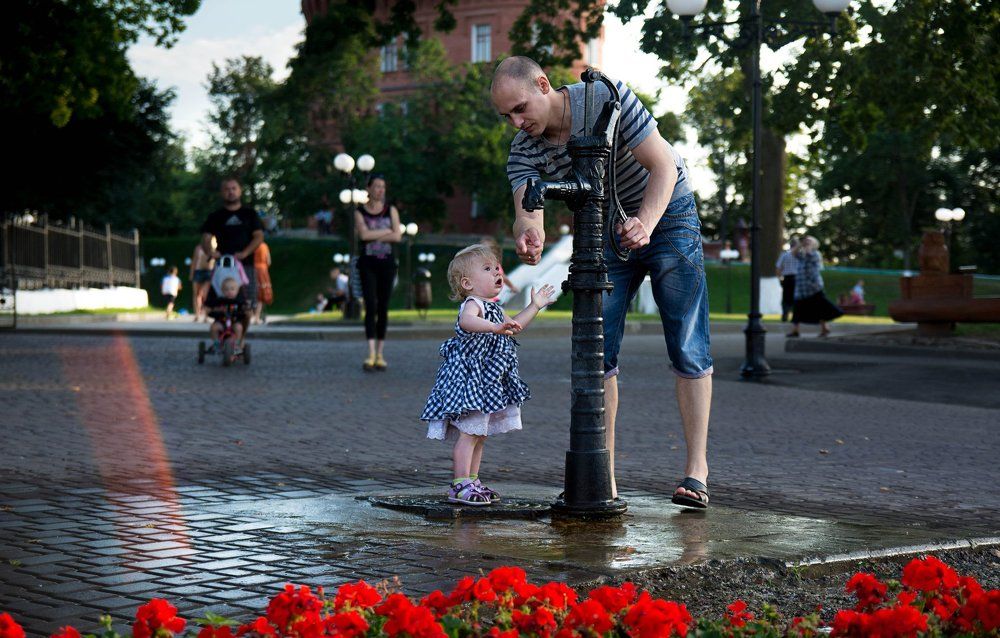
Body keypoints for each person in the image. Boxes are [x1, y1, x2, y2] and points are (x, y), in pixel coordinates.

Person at [492, 56, 713, 508]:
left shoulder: (606, 100)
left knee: (687, 340)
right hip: (603, 228)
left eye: (520, 108)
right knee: (598, 350)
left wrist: (647, 222)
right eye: (507, 116)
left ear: (543, 84)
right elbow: (525, 209)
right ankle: (601, 476)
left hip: (668, 212)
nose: (517, 122)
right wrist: (528, 234)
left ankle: (696, 470)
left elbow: (664, 165)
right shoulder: (524, 148)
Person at [420, 243, 556, 506]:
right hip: (470, 381)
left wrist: (535, 306)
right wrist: (494, 327)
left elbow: (514, 326)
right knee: (469, 433)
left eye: (497, 268)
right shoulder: (473, 305)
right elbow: (466, 322)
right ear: (468, 283)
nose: (497, 272)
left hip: (488, 382)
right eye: (487, 268)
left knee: (480, 434)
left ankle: (473, 479)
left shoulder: (493, 308)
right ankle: (460, 484)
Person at [355, 174, 401, 371]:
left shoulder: (391, 210)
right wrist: (386, 231)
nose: (380, 190)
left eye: (383, 187)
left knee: (383, 307)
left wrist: (375, 235)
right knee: (370, 306)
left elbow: (398, 236)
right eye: (376, 186)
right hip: (367, 264)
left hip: (387, 265)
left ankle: (380, 354)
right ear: (369, 189)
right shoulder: (359, 212)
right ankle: (370, 353)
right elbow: (363, 235)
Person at [200, 177, 264, 317]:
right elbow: (206, 238)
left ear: (240, 191)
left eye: (234, 188)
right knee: (219, 303)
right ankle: (222, 334)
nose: (231, 192)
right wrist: (210, 251)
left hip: (245, 265)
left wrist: (245, 253)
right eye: (227, 189)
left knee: (246, 307)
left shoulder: (250, 214)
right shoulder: (215, 216)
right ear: (222, 193)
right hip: (223, 266)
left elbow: (259, 236)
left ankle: (240, 338)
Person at [787, 236, 843, 338]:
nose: (807, 242)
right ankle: (796, 330)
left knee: (820, 308)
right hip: (801, 288)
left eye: (809, 241)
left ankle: (825, 328)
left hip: (813, 287)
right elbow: (793, 253)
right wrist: (800, 244)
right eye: (806, 241)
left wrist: (808, 245)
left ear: (814, 244)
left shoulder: (815, 254)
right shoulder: (802, 254)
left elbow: (809, 253)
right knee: (798, 310)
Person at [204, 277, 251, 348]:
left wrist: (245, 309)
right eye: (226, 289)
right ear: (222, 291)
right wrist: (215, 311)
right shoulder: (219, 301)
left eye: (232, 289)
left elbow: (245, 309)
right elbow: (211, 308)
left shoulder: (239, 302)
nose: (229, 291)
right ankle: (217, 343)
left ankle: (237, 344)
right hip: (221, 322)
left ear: (237, 291)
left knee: (239, 327)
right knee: (213, 327)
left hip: (234, 322)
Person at [480, 236, 520, 302]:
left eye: (486, 250)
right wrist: (512, 287)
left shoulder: (495, 265)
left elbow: (502, 276)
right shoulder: (479, 265)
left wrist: (512, 287)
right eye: (482, 250)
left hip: (491, 296)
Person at [189, 239, 215, 322]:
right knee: (197, 294)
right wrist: (192, 273)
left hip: (208, 272)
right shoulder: (199, 248)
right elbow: (195, 261)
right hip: (198, 271)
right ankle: (197, 314)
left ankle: (206, 316)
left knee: (205, 294)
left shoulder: (214, 247)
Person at [775, 237, 800, 322]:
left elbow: (778, 268)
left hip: (787, 279)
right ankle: (795, 317)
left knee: (786, 299)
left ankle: (785, 316)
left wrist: (780, 279)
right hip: (797, 278)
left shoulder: (784, 255)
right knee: (796, 298)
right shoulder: (799, 255)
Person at [253, 241, 273, 324]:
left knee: (253, 293)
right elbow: (268, 261)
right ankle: (257, 317)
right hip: (262, 271)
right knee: (262, 294)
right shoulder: (264, 246)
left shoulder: (252, 245)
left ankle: (255, 315)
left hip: (252, 269)